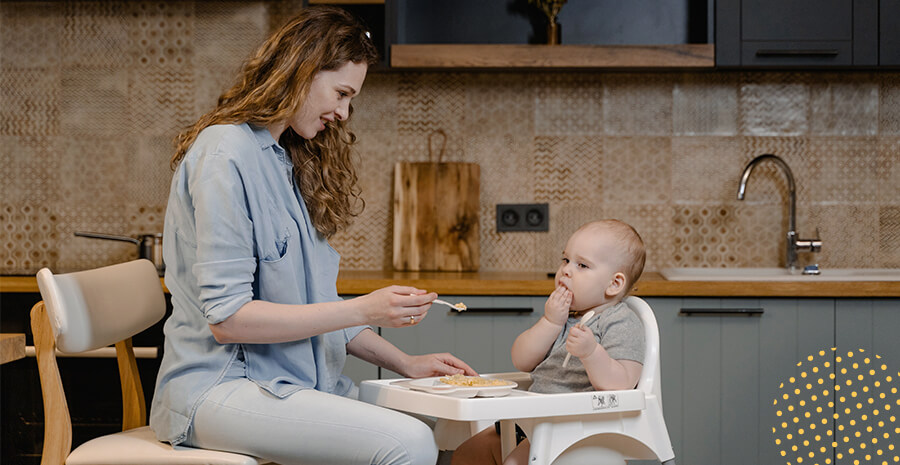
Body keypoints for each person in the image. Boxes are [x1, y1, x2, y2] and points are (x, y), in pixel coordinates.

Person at [149, 7, 476, 465]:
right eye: (341, 93)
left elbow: (314, 302)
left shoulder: (284, 160)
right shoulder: (226, 155)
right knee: (409, 442)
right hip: (218, 389)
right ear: (301, 70)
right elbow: (229, 320)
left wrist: (406, 364)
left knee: (437, 426)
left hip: (286, 383)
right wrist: (365, 307)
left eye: (350, 100)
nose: (343, 113)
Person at [450, 219, 647, 465]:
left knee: (514, 462)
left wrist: (591, 352)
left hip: (579, 425)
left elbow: (622, 384)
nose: (566, 270)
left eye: (582, 265)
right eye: (565, 260)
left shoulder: (620, 322)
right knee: (466, 454)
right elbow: (522, 360)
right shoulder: (563, 318)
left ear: (614, 284)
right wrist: (550, 322)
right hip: (533, 419)